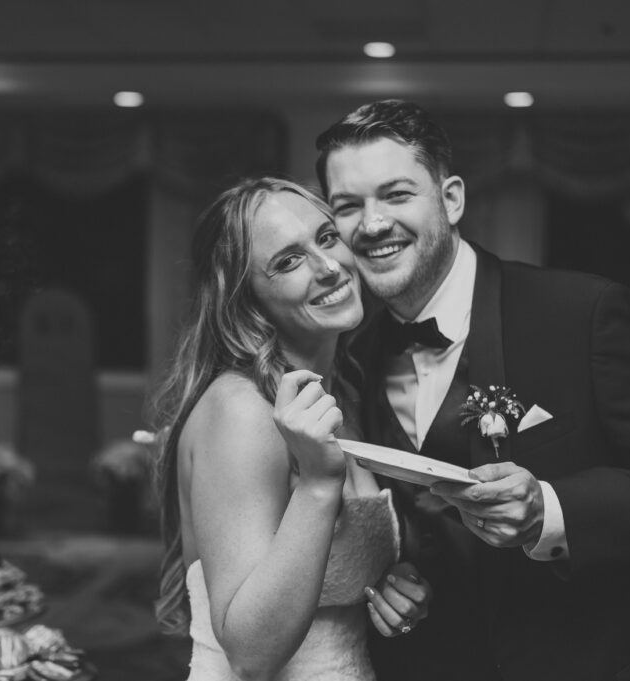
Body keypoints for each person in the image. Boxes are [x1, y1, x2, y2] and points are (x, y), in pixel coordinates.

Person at [313, 100, 630, 681]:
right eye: (348, 206)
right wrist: (388, 583)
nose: (371, 224)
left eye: (396, 195)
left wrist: (553, 510)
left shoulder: (581, 312)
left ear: (451, 199)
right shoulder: (356, 353)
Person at [150, 177, 432, 681]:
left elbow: (325, 584)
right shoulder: (242, 411)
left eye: (326, 238)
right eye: (288, 261)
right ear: (245, 299)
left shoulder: (342, 391)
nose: (329, 268)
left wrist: (393, 592)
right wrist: (320, 484)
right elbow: (250, 656)